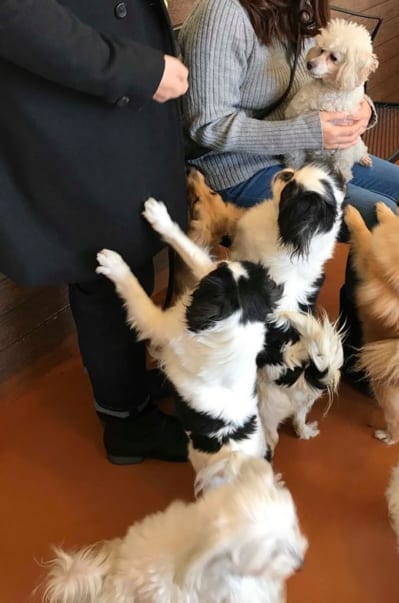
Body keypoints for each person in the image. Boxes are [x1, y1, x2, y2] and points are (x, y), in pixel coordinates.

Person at [179, 0, 399, 387]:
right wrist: (307, 132)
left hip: (303, 151)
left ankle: (354, 337)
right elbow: (205, 127)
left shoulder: (297, 8)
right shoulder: (221, 15)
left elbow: (324, 81)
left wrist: (363, 107)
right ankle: (354, 358)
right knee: (379, 218)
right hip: (235, 167)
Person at [0, 0, 190, 464]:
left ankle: (127, 385)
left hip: (100, 92)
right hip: (75, 94)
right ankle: (126, 421)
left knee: (128, 253)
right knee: (106, 264)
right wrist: (133, 69)